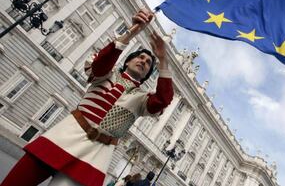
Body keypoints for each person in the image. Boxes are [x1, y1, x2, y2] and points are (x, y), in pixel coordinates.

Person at [1, 10, 174, 186]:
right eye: (140, 57)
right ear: (127, 61)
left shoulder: (142, 98)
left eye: (148, 63)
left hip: (95, 155)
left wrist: (162, 61)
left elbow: (163, 99)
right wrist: (133, 31)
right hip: (65, 135)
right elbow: (101, 63)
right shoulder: (108, 73)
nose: (144, 61)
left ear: (146, 75)